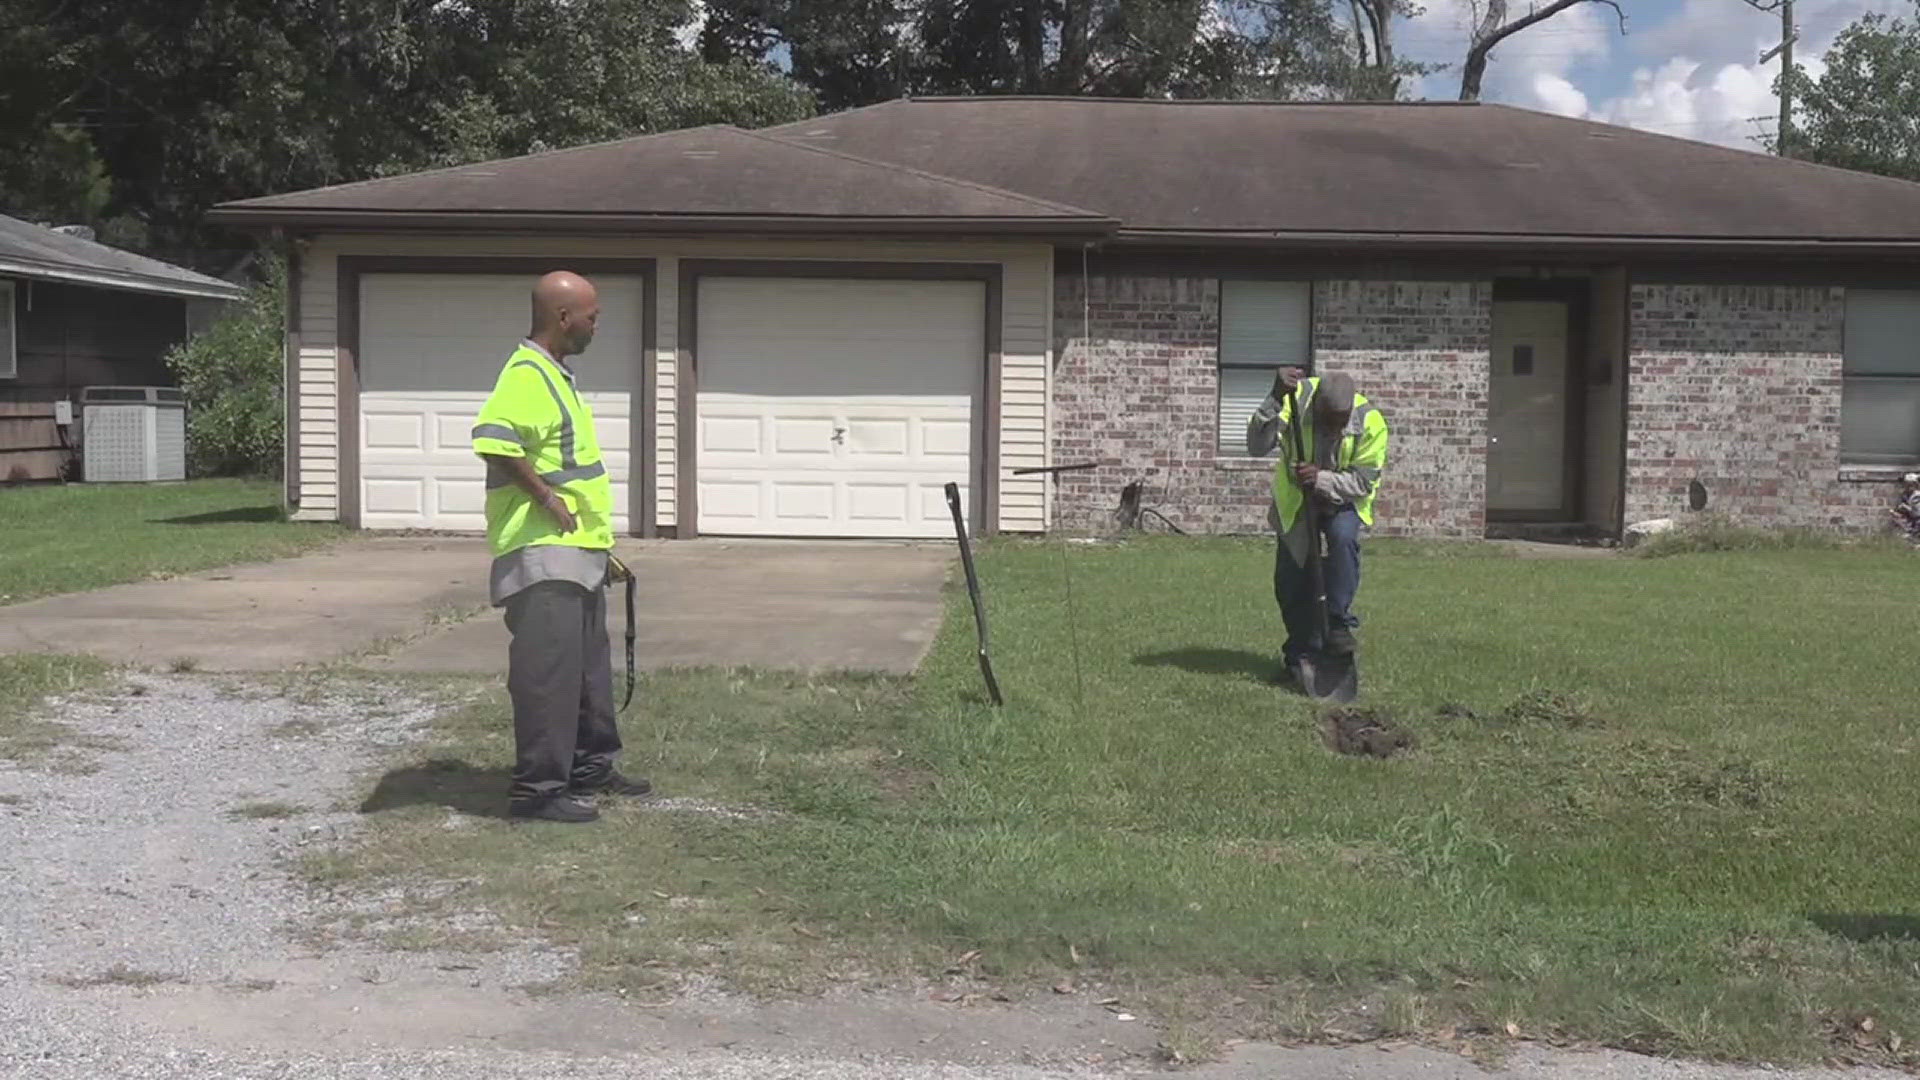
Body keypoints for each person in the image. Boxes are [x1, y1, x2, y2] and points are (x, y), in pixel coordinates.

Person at [470, 271, 652, 824]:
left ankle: (589, 766)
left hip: (575, 552)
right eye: (592, 316)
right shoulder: (527, 374)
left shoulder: (556, 376)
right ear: (563, 317)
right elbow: (494, 442)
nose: (598, 324)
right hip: (541, 553)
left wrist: (599, 546)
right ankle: (538, 791)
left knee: (587, 673)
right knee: (548, 676)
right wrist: (549, 500)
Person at [1246, 367, 1389, 686]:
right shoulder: (1294, 401)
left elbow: (1364, 482)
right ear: (1316, 408)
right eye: (1325, 422)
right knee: (1292, 580)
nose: (1331, 431)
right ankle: (1299, 655)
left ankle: (1337, 627)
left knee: (1342, 542)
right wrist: (1273, 398)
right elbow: (1256, 446)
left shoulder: (1371, 423)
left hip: (1343, 499)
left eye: (1339, 425)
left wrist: (1321, 479)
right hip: (1297, 499)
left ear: (1350, 411)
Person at [1893, 472, 1920, 545]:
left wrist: (1905, 507)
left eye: (1910, 485)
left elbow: (1917, 513)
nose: (1908, 487)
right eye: (1907, 485)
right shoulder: (1905, 495)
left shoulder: (1917, 496)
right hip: (1909, 521)